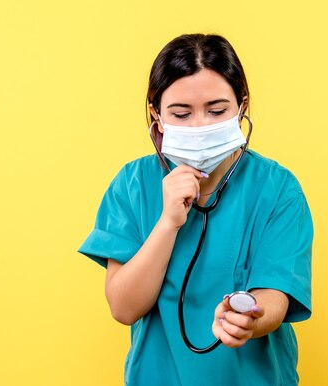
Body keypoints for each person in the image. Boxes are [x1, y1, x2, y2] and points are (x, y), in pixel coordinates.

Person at [78, 33, 313, 385]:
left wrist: (249, 318)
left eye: (217, 111)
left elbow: (275, 296)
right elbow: (124, 308)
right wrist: (168, 223)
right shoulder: (133, 184)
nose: (200, 126)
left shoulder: (277, 189)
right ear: (156, 115)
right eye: (181, 113)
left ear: (242, 107)